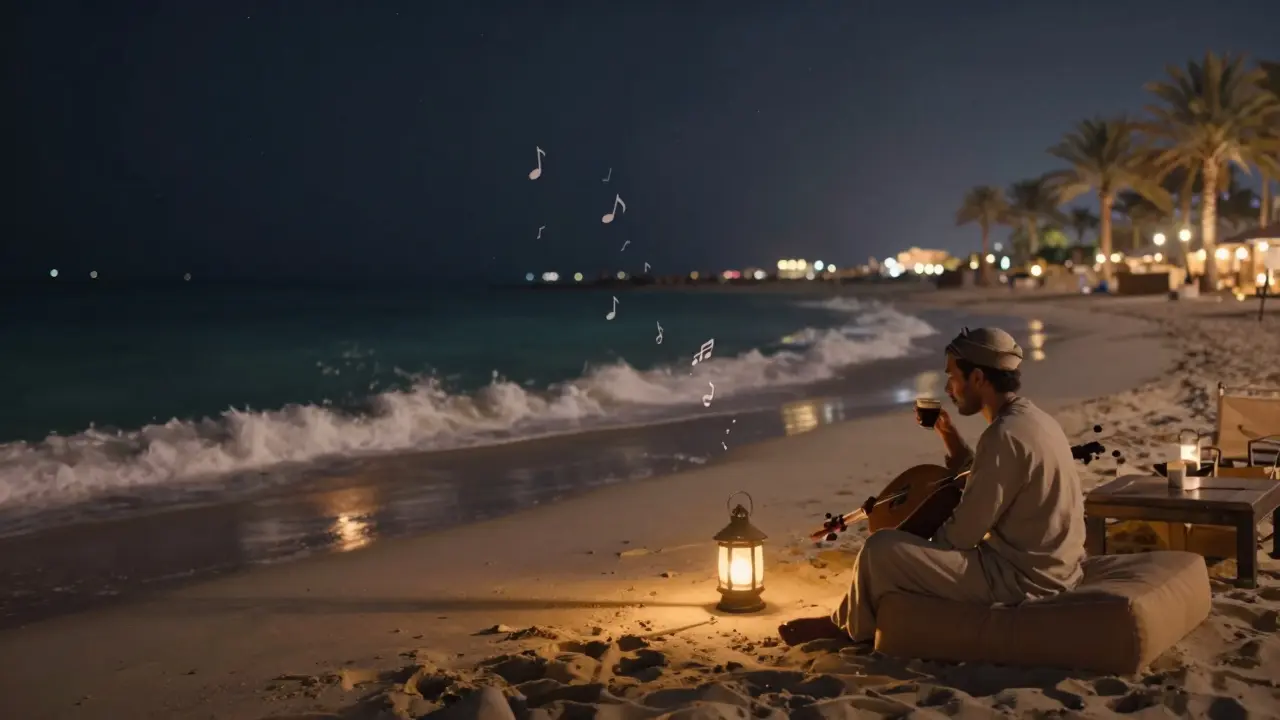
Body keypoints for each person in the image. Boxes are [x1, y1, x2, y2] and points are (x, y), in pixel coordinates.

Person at [778, 327, 1086, 646]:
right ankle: (845, 618)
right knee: (893, 547)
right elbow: (988, 478)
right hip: (1056, 568)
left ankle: (846, 629)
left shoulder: (1002, 436)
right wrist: (950, 438)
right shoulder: (1034, 420)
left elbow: (962, 535)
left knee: (879, 551)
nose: (947, 387)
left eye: (952, 376)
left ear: (978, 378)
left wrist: (916, 544)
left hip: (1021, 580)